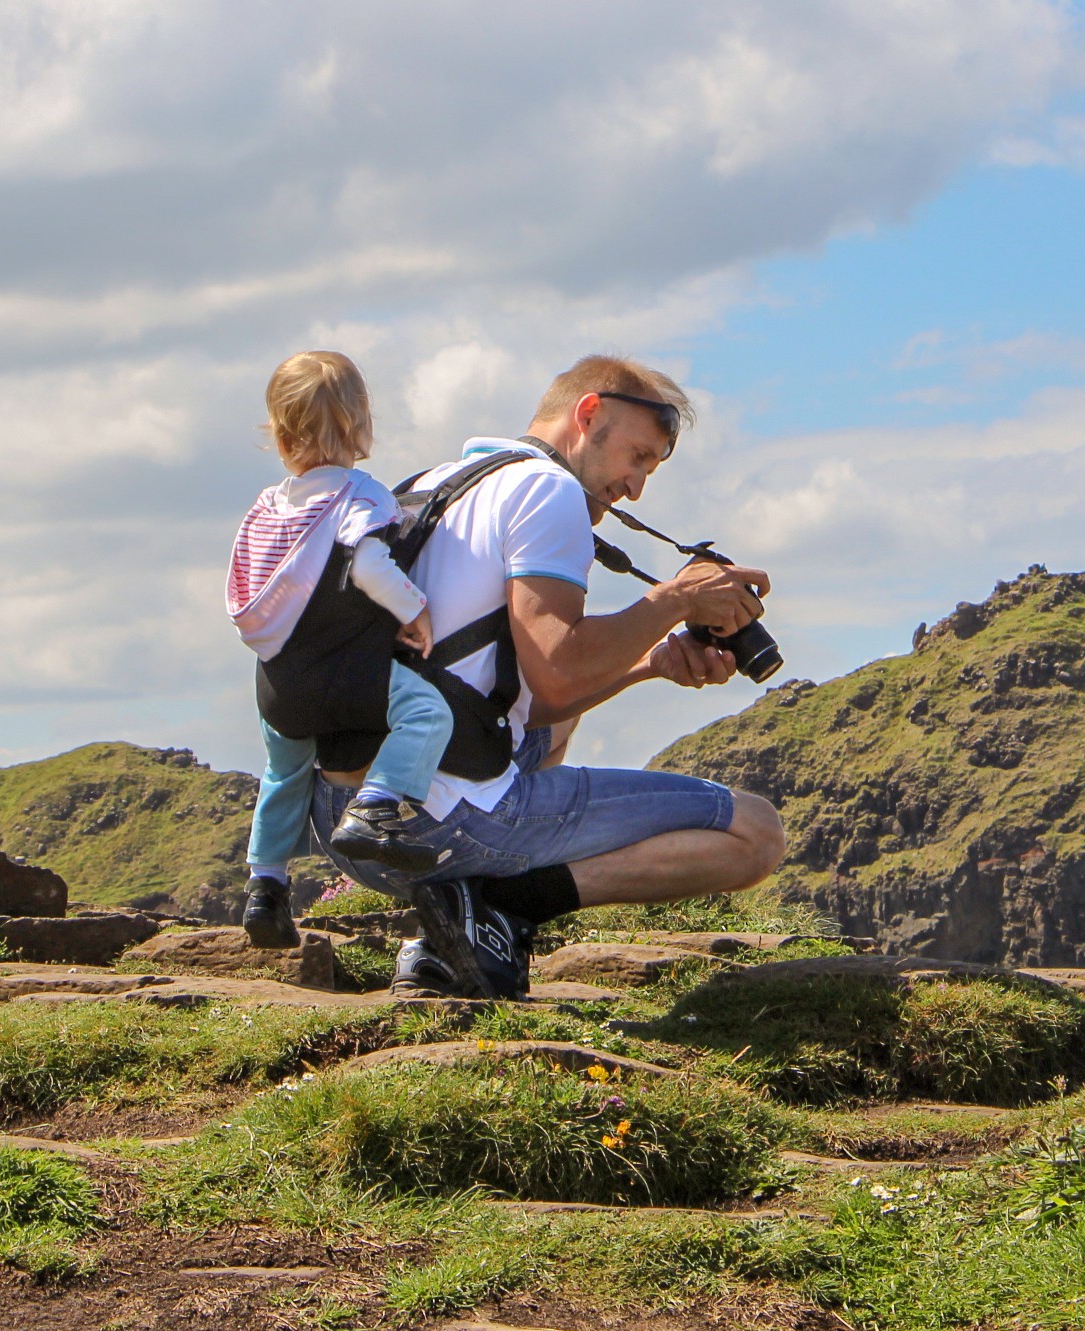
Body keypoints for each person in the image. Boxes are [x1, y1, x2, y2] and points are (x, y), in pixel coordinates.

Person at [308, 355, 787, 998]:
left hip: (348, 816)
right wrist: (675, 600)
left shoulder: (432, 483)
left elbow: (518, 699)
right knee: (755, 833)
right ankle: (504, 909)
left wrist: (647, 663)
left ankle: (456, 921)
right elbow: (559, 671)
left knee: (557, 722)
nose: (635, 487)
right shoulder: (549, 490)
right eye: (638, 457)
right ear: (589, 414)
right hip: (438, 824)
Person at [225, 350, 453, 948]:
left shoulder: (267, 509)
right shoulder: (359, 495)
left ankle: (265, 886)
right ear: (360, 427)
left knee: (283, 773)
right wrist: (414, 609)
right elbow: (369, 567)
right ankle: (376, 807)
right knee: (428, 714)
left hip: (280, 684)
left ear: (279, 435)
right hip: (351, 675)